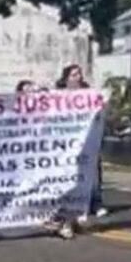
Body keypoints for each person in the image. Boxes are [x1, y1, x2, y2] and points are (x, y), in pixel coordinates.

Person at [57, 64, 108, 225]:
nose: (77, 77)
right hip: (67, 142)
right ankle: (71, 204)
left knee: (92, 172)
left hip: (87, 140)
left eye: (79, 74)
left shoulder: (88, 94)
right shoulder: (59, 96)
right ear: (66, 78)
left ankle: (95, 203)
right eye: (73, 75)